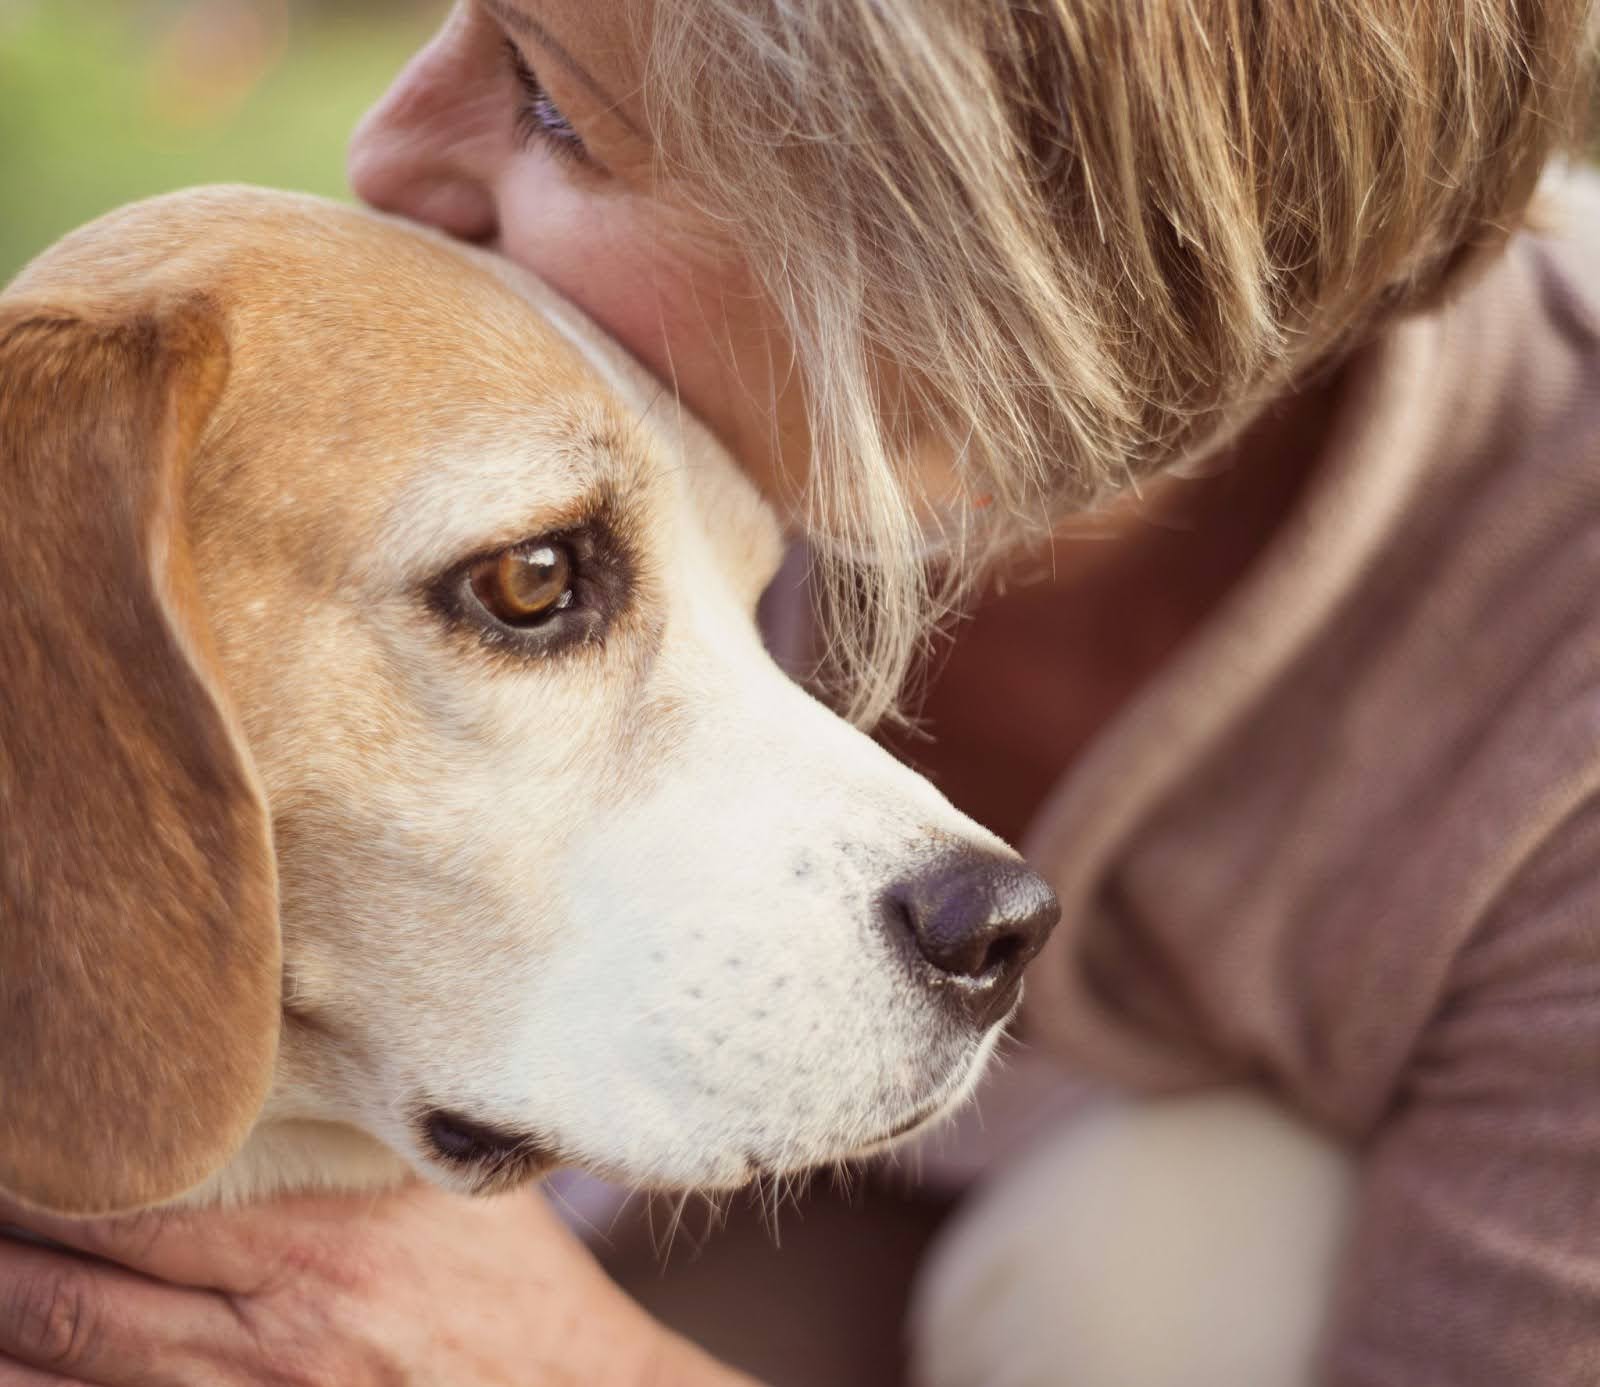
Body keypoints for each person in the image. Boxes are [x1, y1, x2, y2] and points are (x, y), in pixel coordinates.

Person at [2, 1, 1598, 1383]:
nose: (383, 148)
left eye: (559, 101)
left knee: (1165, 1266)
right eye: (534, 587)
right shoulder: (644, 379)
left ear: (964, 247)